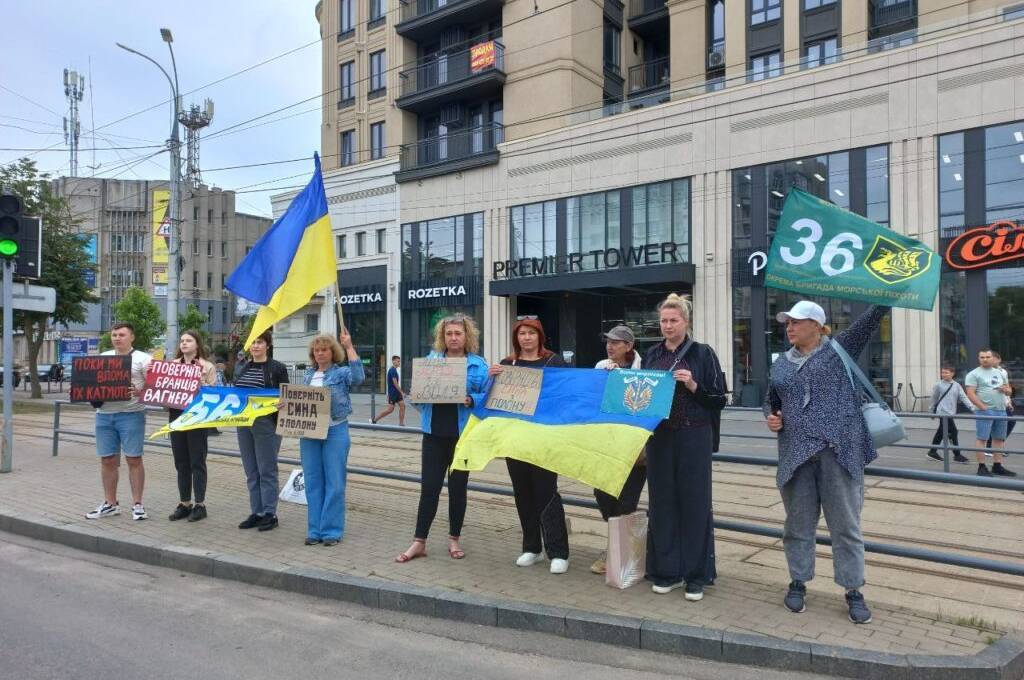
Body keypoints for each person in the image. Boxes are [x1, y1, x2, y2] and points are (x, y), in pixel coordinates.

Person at [765, 301, 889, 625]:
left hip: (840, 453)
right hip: (796, 456)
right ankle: (798, 581)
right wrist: (771, 418)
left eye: (797, 322)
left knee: (846, 526)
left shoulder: (840, 349)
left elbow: (870, 318)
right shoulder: (780, 364)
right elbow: (771, 402)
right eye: (787, 322)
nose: (789, 327)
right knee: (797, 525)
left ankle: (853, 589)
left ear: (817, 326)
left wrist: (886, 293)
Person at [643, 295, 726, 602]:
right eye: (664, 321)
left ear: (686, 322)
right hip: (660, 438)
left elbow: (719, 400)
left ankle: (695, 575)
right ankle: (666, 570)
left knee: (694, 503)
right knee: (662, 502)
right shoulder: (651, 354)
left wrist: (692, 385)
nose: (667, 326)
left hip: (694, 437)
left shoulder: (703, 355)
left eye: (673, 320)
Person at [396, 315, 488, 563]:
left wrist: (471, 400)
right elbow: (416, 399)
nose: (454, 337)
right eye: (449, 334)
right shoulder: (430, 361)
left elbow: (487, 398)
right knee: (429, 488)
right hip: (434, 435)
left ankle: (454, 539)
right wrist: (420, 394)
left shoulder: (478, 366)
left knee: (458, 490)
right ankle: (419, 541)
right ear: (442, 337)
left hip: (463, 437)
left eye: (458, 333)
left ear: (467, 336)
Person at [488, 316, 571, 574]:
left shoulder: (553, 362)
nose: (526, 338)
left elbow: (566, 393)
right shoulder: (507, 364)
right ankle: (531, 547)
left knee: (547, 493)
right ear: (517, 338)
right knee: (522, 492)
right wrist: (491, 379)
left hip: (545, 438)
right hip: (516, 439)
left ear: (539, 336)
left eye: (531, 333)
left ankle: (558, 551)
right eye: (522, 333)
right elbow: (494, 400)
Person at [590, 325, 648, 575]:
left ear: (629, 346)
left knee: (627, 500)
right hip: (608, 443)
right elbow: (593, 398)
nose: (610, 346)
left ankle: (617, 553)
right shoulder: (601, 367)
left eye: (616, 342)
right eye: (608, 342)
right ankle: (624, 545)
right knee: (603, 493)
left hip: (636, 448)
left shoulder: (645, 369)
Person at [300, 329, 364, 546]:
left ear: (332, 352)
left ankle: (331, 531)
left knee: (335, 482)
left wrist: (349, 346)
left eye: (324, 350)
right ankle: (314, 530)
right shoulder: (308, 375)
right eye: (316, 350)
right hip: (309, 433)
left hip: (335, 430)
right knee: (313, 481)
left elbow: (359, 377)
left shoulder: (341, 373)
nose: (320, 353)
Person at [85, 322, 152, 521]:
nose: (117, 338)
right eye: (114, 335)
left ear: (132, 337)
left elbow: (155, 389)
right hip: (104, 416)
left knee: (134, 459)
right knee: (107, 460)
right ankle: (110, 504)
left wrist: (140, 392)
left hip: (132, 415)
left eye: (122, 335)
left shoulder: (143, 359)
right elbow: (90, 383)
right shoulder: (102, 358)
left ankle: (138, 504)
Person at [234, 330, 290, 531]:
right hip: (244, 422)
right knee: (251, 470)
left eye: (259, 342)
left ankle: (269, 513)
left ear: (268, 345)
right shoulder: (242, 366)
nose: (256, 346)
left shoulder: (277, 368)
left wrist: (281, 404)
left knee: (267, 469)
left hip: (267, 424)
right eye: (253, 343)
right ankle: (256, 512)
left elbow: (286, 395)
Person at [167, 331, 218, 523]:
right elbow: (162, 389)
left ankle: (200, 504)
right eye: (182, 341)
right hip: (177, 416)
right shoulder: (171, 365)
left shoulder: (207, 367)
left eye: (189, 340)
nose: (184, 343)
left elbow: (213, 395)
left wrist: (199, 384)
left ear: (197, 344)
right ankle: (184, 503)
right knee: (181, 462)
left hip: (198, 417)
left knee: (197, 461)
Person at [965, 349, 1016, 477]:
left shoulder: (1000, 372)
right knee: (982, 438)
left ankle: (997, 465)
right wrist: (983, 408)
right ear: (979, 358)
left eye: (988, 357)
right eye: (982, 357)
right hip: (985, 411)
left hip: (1001, 410)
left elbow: (1009, 391)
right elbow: (970, 394)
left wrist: (1006, 390)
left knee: (999, 439)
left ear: (993, 358)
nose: (985, 359)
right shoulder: (973, 374)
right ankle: (981, 467)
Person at [926, 365, 973, 464]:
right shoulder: (938, 385)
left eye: (946, 372)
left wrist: (972, 408)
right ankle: (957, 455)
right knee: (953, 432)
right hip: (942, 413)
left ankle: (932, 452)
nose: (944, 374)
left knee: (941, 433)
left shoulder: (956, 385)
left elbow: (963, 397)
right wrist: (931, 412)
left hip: (950, 413)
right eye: (942, 372)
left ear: (952, 373)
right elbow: (933, 399)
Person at [372, 355, 406, 426]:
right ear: (393, 361)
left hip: (396, 393)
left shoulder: (394, 370)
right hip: (393, 393)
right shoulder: (392, 370)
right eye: (398, 361)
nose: (399, 363)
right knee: (390, 410)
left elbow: (389, 383)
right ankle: (375, 420)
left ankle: (401, 423)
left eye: (399, 361)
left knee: (403, 406)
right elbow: (395, 383)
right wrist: (402, 392)